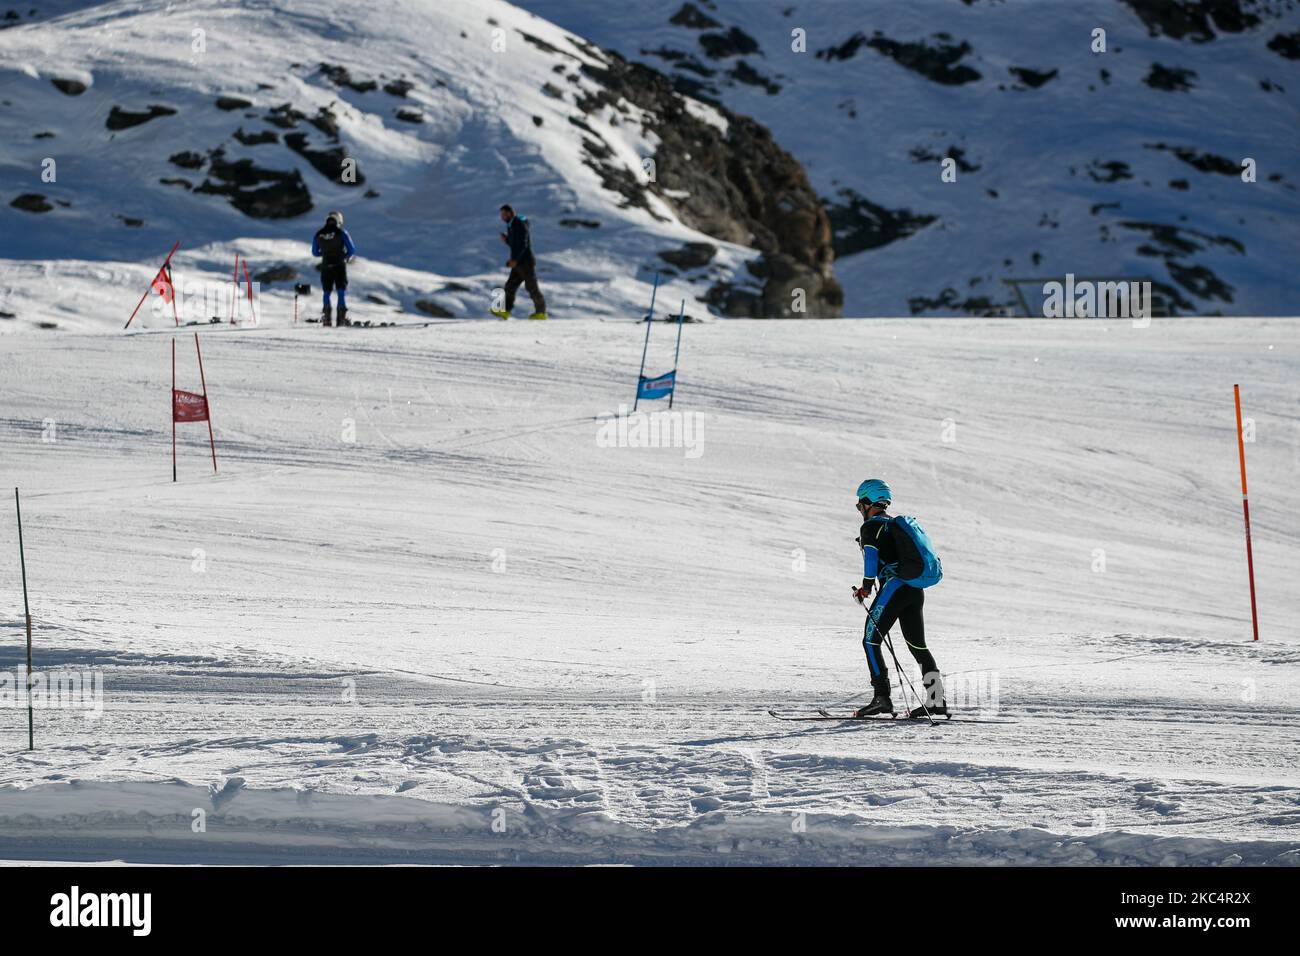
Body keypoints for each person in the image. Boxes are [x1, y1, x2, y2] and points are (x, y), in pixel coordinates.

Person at [852, 478, 946, 718]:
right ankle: (936, 700)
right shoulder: (894, 525)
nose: (859, 510)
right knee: (918, 645)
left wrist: (865, 587)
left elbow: (871, 559)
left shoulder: (871, 527)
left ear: (867, 502)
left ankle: (881, 699)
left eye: (859, 505)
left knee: (871, 640)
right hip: (914, 589)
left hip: (894, 587)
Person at [490, 204, 547, 320]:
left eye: (504, 214)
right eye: (501, 214)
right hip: (518, 262)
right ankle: (505, 311)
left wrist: (515, 260)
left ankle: (541, 313)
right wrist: (507, 240)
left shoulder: (519, 224)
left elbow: (523, 243)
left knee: (531, 287)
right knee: (510, 286)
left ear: (511, 213)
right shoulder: (511, 225)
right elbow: (515, 244)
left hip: (525, 262)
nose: (502, 217)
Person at [312, 210, 356, 327]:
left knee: (326, 291)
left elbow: (315, 252)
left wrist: (326, 254)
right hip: (339, 265)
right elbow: (352, 250)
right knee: (341, 290)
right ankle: (341, 318)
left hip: (326, 265)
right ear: (339, 220)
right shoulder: (342, 232)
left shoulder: (318, 234)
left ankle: (326, 318)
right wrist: (344, 256)